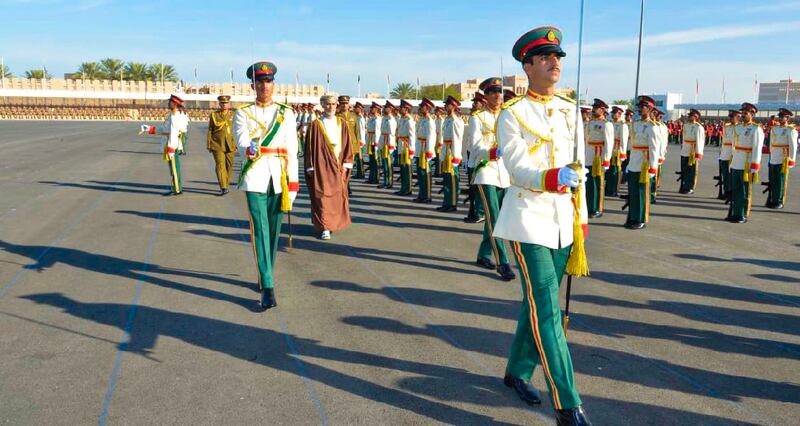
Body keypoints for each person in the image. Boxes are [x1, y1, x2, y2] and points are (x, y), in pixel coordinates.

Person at [493, 26, 591, 426]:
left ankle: (516, 372)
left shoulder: (572, 110)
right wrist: (553, 178)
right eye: (546, 57)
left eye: (559, 57)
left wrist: (581, 221)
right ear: (527, 65)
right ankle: (568, 405)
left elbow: (581, 170)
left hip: (564, 222)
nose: (556, 63)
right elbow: (517, 167)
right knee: (548, 312)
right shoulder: (511, 114)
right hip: (529, 221)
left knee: (534, 307)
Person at [233, 61, 299, 310]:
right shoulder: (243, 112)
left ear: (274, 84)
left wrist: (293, 184)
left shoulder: (286, 113)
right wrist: (248, 148)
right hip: (256, 176)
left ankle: (264, 273)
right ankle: (269, 286)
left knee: (273, 232)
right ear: (253, 85)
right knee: (260, 230)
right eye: (259, 81)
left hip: (280, 177)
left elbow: (292, 151)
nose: (264, 85)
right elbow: (241, 140)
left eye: (268, 81)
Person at [469, 77, 515, 281]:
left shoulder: (508, 116)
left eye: (500, 92)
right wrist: (493, 152)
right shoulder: (477, 118)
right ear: (485, 96)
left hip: (505, 173)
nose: (498, 95)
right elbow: (476, 146)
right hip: (486, 171)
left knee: (498, 217)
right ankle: (503, 262)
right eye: (493, 92)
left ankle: (483, 254)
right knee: (494, 217)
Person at [305, 95, 354, 240]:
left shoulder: (342, 123)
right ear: (322, 105)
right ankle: (325, 227)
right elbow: (309, 148)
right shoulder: (315, 124)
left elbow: (347, 145)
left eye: (333, 104)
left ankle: (333, 223)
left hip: (337, 165)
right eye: (327, 104)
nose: (331, 107)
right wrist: (310, 166)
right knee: (322, 195)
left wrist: (346, 164)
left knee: (336, 196)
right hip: (321, 166)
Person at [139, 94, 189, 196]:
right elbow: (164, 130)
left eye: (170, 102)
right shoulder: (172, 115)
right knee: (172, 168)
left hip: (173, 144)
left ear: (175, 104)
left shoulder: (176, 117)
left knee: (175, 168)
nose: (168, 103)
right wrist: (150, 129)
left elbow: (175, 134)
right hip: (170, 142)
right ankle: (175, 188)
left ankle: (177, 189)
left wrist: (171, 148)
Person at [624, 96, 659, 230]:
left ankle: (641, 218)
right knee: (632, 192)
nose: (640, 108)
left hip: (644, 164)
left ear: (650, 109)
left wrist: (653, 168)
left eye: (643, 106)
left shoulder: (652, 127)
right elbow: (632, 145)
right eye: (639, 106)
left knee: (641, 193)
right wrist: (628, 163)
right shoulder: (635, 124)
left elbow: (654, 148)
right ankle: (632, 217)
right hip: (634, 162)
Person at [726, 102, 763, 223]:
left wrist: (755, 164)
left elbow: (757, 148)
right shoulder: (738, 127)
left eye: (745, 113)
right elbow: (733, 145)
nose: (742, 115)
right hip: (736, 161)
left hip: (746, 163)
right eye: (742, 112)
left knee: (744, 190)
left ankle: (742, 214)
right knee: (735, 189)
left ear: (752, 114)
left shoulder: (756, 129)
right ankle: (734, 212)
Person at [584, 98, 613, 217]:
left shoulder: (606, 124)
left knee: (597, 183)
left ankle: (597, 208)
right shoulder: (589, 123)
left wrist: (606, 161)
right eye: (594, 108)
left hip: (598, 156)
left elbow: (609, 143)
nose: (594, 110)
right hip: (588, 155)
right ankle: (588, 206)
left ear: (602, 110)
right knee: (588, 183)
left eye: (596, 108)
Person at [765, 108, 797, 209]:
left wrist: (791, 159)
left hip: (783, 158)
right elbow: (771, 143)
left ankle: (778, 201)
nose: (780, 118)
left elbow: (793, 146)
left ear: (787, 118)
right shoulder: (775, 128)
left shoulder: (791, 130)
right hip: (774, 157)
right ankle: (772, 199)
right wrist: (771, 153)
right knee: (773, 180)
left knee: (780, 181)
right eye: (780, 116)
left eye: (782, 117)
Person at [437, 96, 464, 212]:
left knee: (453, 179)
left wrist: (456, 156)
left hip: (452, 152)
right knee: (447, 178)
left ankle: (452, 203)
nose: (444, 106)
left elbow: (457, 139)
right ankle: (446, 202)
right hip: (447, 150)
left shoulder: (455, 121)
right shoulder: (448, 119)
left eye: (447, 105)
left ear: (453, 106)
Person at [207, 95, 236, 195]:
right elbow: (210, 129)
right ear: (219, 104)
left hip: (231, 144)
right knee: (220, 166)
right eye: (222, 103)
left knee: (229, 166)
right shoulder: (214, 115)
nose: (224, 104)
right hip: (217, 144)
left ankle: (226, 184)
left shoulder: (234, 115)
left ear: (229, 104)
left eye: (226, 103)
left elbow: (237, 130)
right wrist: (209, 143)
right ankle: (223, 186)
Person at [413, 98, 437, 203]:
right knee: (420, 173)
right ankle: (421, 194)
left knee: (425, 174)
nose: (419, 109)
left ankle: (427, 195)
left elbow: (431, 137)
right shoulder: (422, 120)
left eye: (421, 107)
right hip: (420, 148)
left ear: (427, 108)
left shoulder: (429, 121)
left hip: (425, 149)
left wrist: (429, 152)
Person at [678, 109, 706, 194]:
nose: (689, 117)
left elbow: (700, 140)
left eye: (691, 116)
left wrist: (698, 153)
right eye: (689, 116)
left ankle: (690, 187)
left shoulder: (698, 127)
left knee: (692, 171)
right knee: (684, 169)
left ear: (696, 117)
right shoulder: (686, 125)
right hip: (685, 150)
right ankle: (684, 185)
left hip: (693, 151)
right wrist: (682, 149)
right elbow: (683, 138)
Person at [605, 106, 628, 197]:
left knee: (615, 171)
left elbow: (624, 140)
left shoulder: (623, 125)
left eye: (615, 113)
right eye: (613, 113)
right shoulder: (609, 123)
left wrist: (622, 154)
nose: (613, 114)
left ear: (619, 114)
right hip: (609, 149)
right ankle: (608, 189)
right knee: (609, 171)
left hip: (616, 150)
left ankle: (614, 189)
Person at [717, 110, 740, 201]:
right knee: (725, 174)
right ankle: (726, 191)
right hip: (725, 153)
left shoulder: (739, 127)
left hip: (734, 154)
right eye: (730, 117)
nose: (730, 118)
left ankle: (731, 192)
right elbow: (724, 141)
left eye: (732, 117)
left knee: (732, 175)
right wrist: (721, 153)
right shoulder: (726, 127)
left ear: (738, 117)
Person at [395, 99, 416, 196]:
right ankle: (403, 188)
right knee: (402, 168)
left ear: (406, 109)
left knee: (407, 168)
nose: (400, 109)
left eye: (402, 108)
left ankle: (408, 189)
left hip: (407, 146)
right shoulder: (402, 119)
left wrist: (411, 150)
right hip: (401, 144)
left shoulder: (409, 120)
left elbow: (412, 135)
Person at [378, 101, 397, 189]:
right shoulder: (385, 118)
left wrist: (391, 145)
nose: (384, 109)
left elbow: (392, 132)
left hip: (388, 143)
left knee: (389, 164)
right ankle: (385, 181)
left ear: (390, 109)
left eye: (386, 108)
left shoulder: (391, 120)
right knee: (384, 163)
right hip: (384, 142)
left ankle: (389, 182)